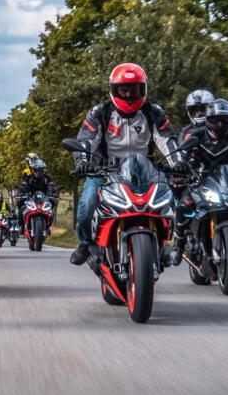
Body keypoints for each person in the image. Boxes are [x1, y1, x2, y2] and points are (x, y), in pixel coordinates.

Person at [69, 63, 179, 266]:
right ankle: (85, 243)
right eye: (123, 90)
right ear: (114, 90)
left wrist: (178, 162)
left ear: (143, 89)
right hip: (105, 170)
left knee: (170, 199)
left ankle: (164, 242)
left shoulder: (153, 112)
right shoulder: (100, 112)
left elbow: (167, 140)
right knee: (88, 202)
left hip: (143, 170)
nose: (128, 95)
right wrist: (83, 161)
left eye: (133, 89)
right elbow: (86, 139)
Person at [167, 98, 228, 264]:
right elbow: (183, 155)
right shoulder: (196, 134)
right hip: (199, 180)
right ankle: (179, 242)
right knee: (184, 206)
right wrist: (181, 167)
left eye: (225, 120)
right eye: (216, 120)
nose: (220, 124)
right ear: (208, 119)